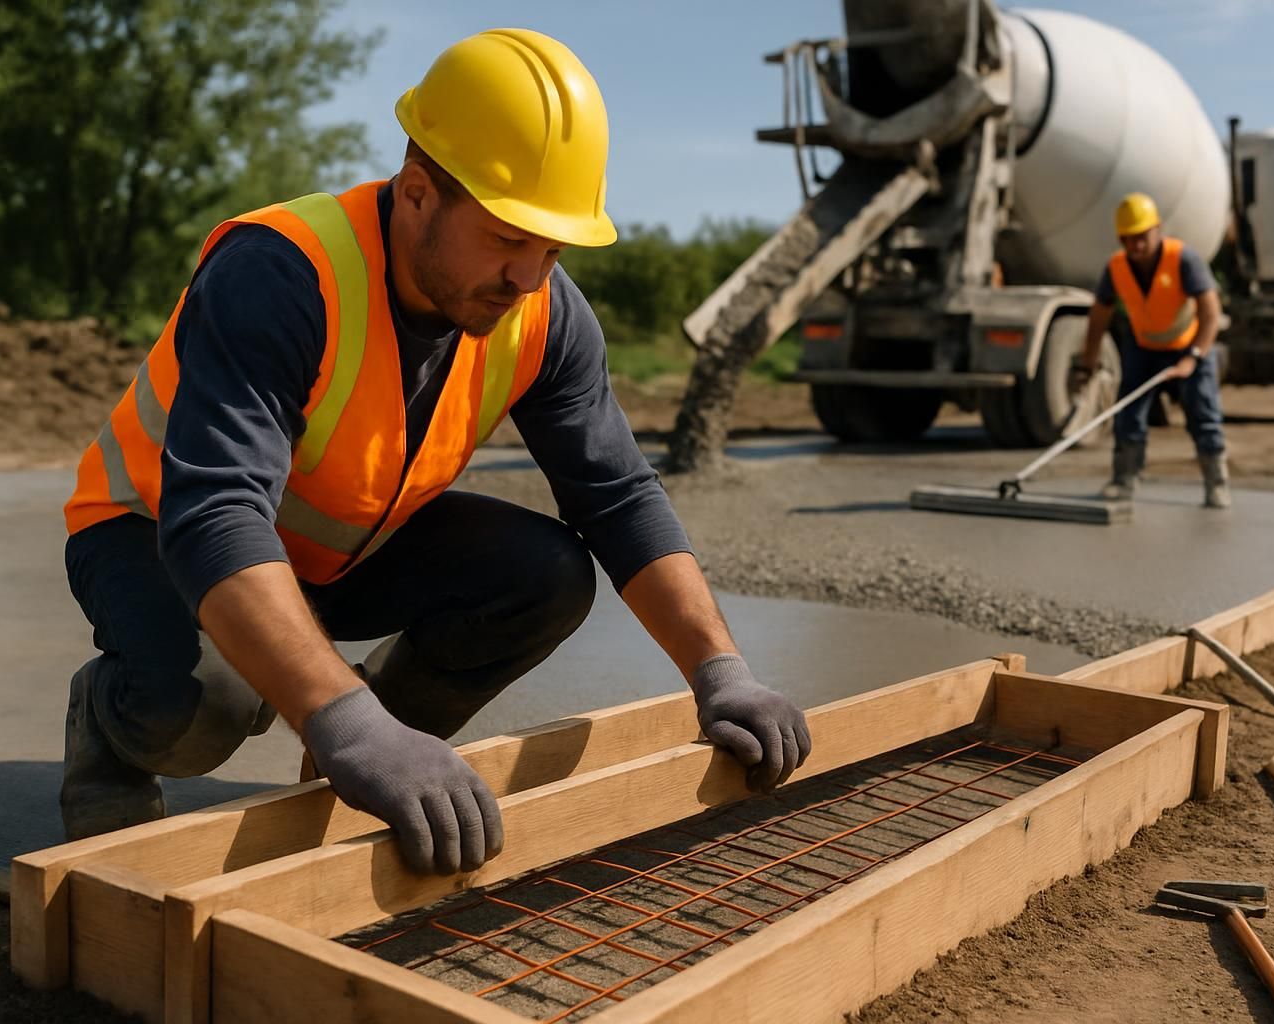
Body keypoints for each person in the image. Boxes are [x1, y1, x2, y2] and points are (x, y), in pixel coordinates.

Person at [58, 29, 810, 876]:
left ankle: (367, 744)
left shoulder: (543, 314)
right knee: (207, 701)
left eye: (553, 249)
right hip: (156, 528)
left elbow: (619, 496)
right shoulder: (280, 273)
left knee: (546, 575)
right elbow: (216, 518)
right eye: (506, 239)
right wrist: (343, 720)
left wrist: (721, 670)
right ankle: (110, 726)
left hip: (336, 544)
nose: (531, 277)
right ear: (418, 193)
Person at [1075, 192, 1230, 509]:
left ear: (1157, 228)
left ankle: (1217, 483)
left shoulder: (1184, 259)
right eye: (1128, 239)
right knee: (1129, 415)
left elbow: (1211, 314)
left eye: (1142, 237)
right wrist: (1087, 362)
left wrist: (1193, 357)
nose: (1136, 246)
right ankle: (1125, 480)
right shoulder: (1117, 268)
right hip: (1144, 348)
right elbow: (1098, 318)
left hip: (1189, 346)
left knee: (1203, 413)